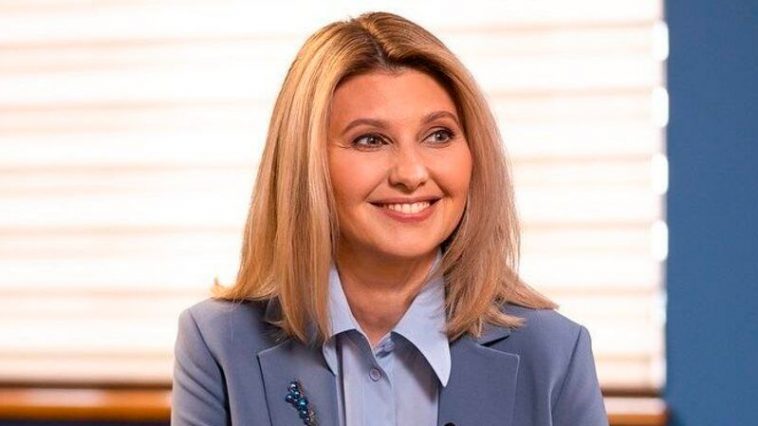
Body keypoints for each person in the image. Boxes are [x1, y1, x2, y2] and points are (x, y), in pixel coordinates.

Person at [171, 11, 607, 426]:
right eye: (370, 140)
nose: (411, 174)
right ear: (305, 165)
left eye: (438, 135)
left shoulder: (554, 351)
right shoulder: (218, 341)